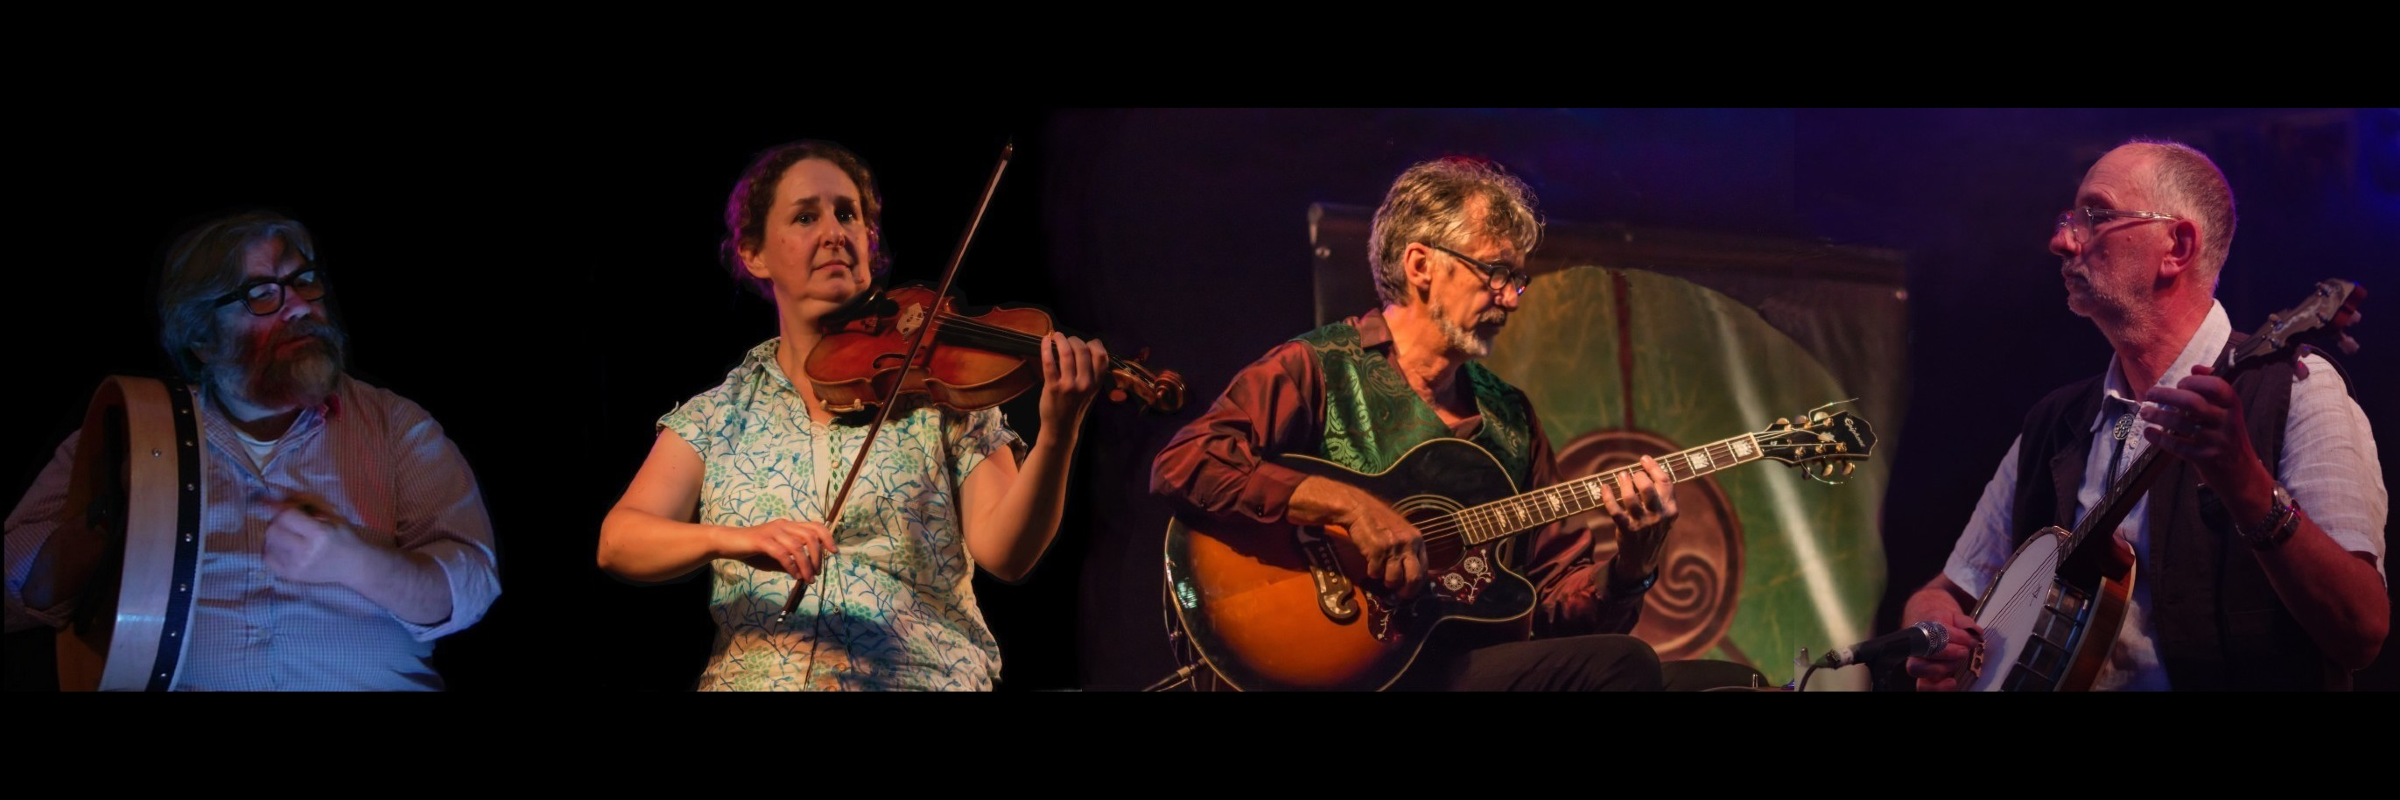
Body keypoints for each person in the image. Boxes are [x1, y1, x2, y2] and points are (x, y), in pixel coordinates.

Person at [1151, 157, 1761, 691]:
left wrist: (1634, 564)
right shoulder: (1317, 367)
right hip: (1336, 664)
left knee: (1696, 678)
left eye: (1517, 278)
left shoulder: (1511, 418)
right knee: (1625, 668)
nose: (1512, 297)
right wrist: (1348, 507)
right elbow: (1186, 463)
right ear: (1420, 264)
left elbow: (1552, 607)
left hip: (1455, 665)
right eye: (1494, 271)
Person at [596, 140, 1110, 691]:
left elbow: (1007, 554)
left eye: (848, 214)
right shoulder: (720, 414)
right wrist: (736, 538)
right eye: (805, 216)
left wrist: (1058, 431)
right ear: (754, 254)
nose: (835, 232)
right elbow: (619, 540)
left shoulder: (937, 390)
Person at [1902, 138, 2387, 690]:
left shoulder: (2299, 390)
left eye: (2096, 216)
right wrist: (1933, 627)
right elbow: (1945, 590)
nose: (2061, 241)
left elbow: (2362, 631)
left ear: (2176, 247)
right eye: (2069, 219)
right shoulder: (2056, 422)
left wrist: (2245, 484)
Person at [3, 212, 500, 690]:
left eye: (305, 280)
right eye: (262, 294)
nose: (301, 305)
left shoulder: (396, 426)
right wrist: (109, 518)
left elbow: (473, 587)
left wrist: (356, 561)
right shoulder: (136, 428)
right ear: (202, 339)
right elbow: (9, 595)